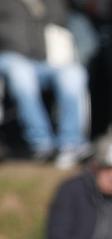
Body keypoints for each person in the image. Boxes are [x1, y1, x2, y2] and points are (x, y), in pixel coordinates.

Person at [0, 0, 90, 168]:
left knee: (74, 74)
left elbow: (63, 19)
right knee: (21, 75)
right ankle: (41, 143)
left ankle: (70, 144)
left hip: (47, 58)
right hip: (11, 55)